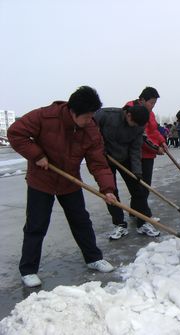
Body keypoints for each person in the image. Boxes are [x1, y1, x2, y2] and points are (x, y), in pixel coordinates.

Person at [7, 86, 116, 288]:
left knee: (81, 220)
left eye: (93, 115)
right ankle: (28, 270)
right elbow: (15, 133)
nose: (89, 120)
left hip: (69, 180)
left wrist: (107, 189)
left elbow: (98, 162)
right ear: (73, 112)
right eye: (86, 116)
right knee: (36, 225)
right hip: (41, 179)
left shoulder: (90, 128)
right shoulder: (45, 117)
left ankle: (93, 257)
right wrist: (37, 155)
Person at [95, 105, 161, 239]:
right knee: (110, 192)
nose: (134, 127)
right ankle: (119, 224)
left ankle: (143, 223)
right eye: (134, 124)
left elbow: (136, 149)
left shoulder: (138, 126)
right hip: (105, 158)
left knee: (138, 189)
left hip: (125, 158)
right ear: (128, 115)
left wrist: (137, 171)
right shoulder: (106, 115)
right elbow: (91, 133)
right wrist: (99, 148)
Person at [123, 87, 167, 234]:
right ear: (142, 100)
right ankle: (143, 217)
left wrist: (162, 142)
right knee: (139, 187)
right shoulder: (131, 109)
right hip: (136, 154)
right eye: (151, 103)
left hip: (148, 155)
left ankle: (135, 212)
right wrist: (156, 148)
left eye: (154, 103)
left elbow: (153, 130)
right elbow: (142, 136)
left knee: (144, 186)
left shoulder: (151, 114)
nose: (152, 106)